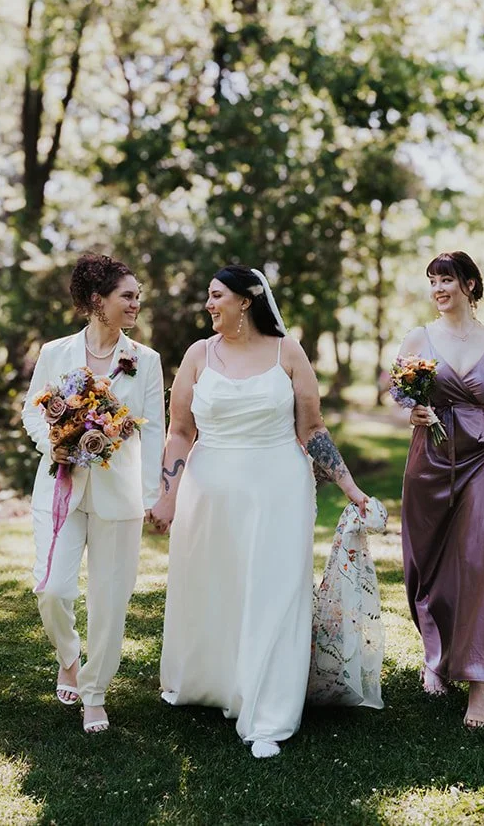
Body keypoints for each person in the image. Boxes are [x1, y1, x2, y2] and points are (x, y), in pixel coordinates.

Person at [149, 264, 371, 759]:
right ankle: (214, 683)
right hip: (209, 492)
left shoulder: (287, 352)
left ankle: (268, 713)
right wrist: (168, 494)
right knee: (215, 588)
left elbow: (311, 429)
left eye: (215, 295)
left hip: (278, 489)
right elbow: (180, 430)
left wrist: (350, 486)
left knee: (274, 592)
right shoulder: (197, 355)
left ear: (246, 300)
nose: (208, 305)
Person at [20, 253, 165, 735]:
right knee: (52, 589)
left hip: (118, 495)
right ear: (96, 301)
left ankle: (95, 692)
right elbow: (31, 413)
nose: (135, 304)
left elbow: (156, 431)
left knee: (110, 598)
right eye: (127, 295)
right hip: (59, 486)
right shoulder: (55, 352)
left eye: (138, 296)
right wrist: (54, 445)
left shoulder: (145, 361)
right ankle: (68, 655)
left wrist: (154, 496)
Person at [397, 251, 484, 729]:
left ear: (469, 284)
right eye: (432, 281)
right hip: (430, 461)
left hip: (483, 460)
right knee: (428, 565)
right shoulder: (417, 338)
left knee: (479, 559)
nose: (438, 289)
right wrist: (412, 411)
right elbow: (402, 398)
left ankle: (478, 684)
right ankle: (435, 655)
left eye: (446, 279)